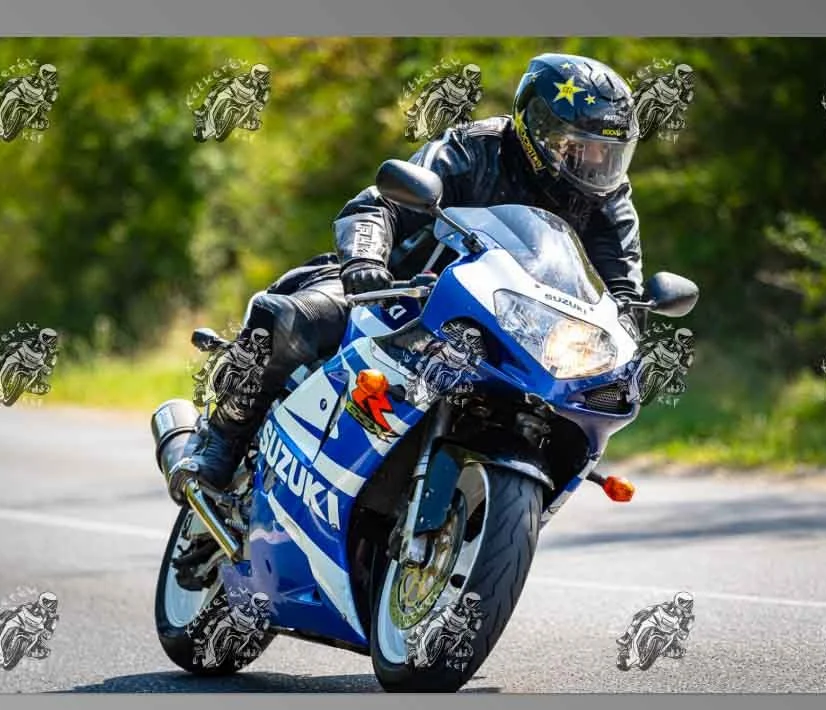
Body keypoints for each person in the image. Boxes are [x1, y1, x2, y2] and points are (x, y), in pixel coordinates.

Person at [168, 52, 648, 502]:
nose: (596, 164)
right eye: (581, 148)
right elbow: (379, 203)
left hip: (508, 329)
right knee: (291, 318)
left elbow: (623, 286)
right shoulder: (474, 148)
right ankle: (220, 441)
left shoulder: (608, 199)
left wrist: (628, 327)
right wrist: (365, 261)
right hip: (400, 292)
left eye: (609, 153)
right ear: (536, 129)